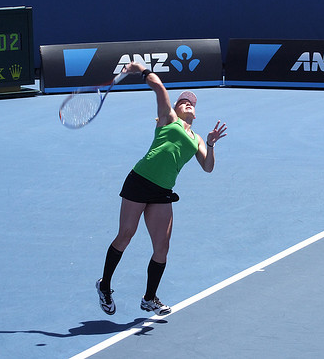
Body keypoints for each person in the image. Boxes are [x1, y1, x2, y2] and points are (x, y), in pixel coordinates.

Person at [96, 60, 227, 316]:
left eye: (192, 103)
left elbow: (208, 167)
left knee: (162, 248)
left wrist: (211, 144)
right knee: (126, 235)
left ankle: (149, 298)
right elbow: (158, 87)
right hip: (140, 180)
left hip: (163, 191)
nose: (188, 103)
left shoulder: (198, 139)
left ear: (196, 114)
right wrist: (141, 69)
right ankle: (105, 285)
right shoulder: (168, 119)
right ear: (175, 108)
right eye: (183, 102)